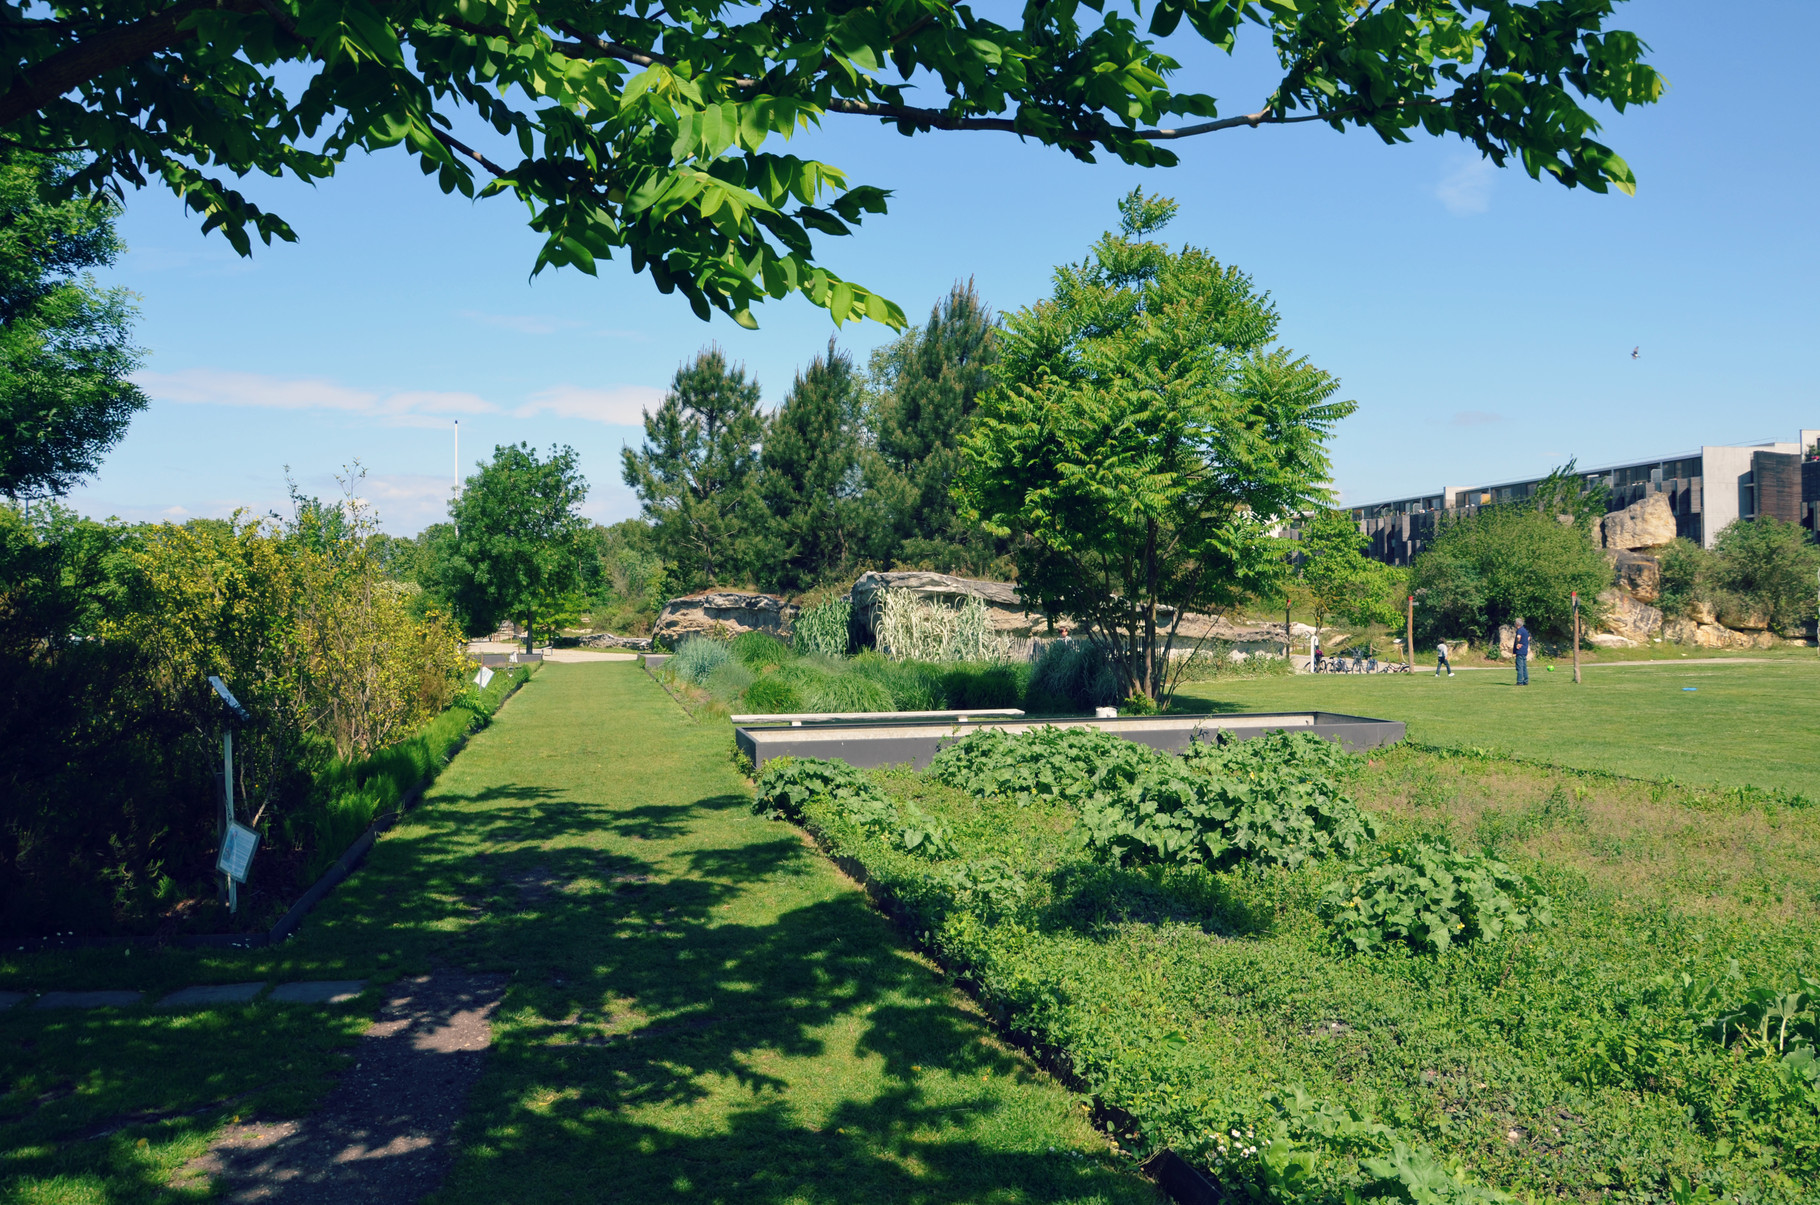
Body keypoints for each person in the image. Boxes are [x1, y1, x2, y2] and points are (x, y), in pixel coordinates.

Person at [1513, 618, 1530, 686]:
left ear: (1517, 624)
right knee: (1524, 667)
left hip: (1520, 651)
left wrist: (1518, 643)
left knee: (1519, 667)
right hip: (1524, 650)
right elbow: (1528, 638)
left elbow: (1518, 636)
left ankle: (1519, 681)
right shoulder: (1525, 630)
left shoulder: (1519, 630)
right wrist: (1524, 643)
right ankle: (1526, 681)